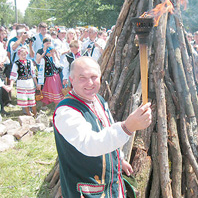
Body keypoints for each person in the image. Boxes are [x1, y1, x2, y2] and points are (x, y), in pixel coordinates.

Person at [53, 57, 152, 197]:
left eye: (94, 77)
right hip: (87, 186)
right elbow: (90, 144)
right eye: (82, 78)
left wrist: (119, 159)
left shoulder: (97, 99)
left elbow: (106, 129)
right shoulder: (66, 112)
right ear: (71, 79)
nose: (89, 83)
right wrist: (127, 127)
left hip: (109, 183)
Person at [9, 47, 38, 117]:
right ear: (19, 55)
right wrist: (11, 85)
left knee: (32, 98)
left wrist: (36, 83)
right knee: (24, 99)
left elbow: (33, 73)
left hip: (29, 82)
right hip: (21, 82)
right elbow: (13, 75)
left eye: (25, 54)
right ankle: (28, 113)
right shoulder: (16, 64)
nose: (23, 56)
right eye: (22, 54)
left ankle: (35, 113)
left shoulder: (29, 62)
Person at [37, 42, 64, 108]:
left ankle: (57, 107)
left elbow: (58, 66)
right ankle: (44, 105)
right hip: (49, 78)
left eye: (53, 52)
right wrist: (40, 83)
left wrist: (55, 58)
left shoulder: (53, 58)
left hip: (56, 77)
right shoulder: (44, 59)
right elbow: (41, 70)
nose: (52, 53)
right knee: (50, 91)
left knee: (57, 91)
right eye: (50, 52)